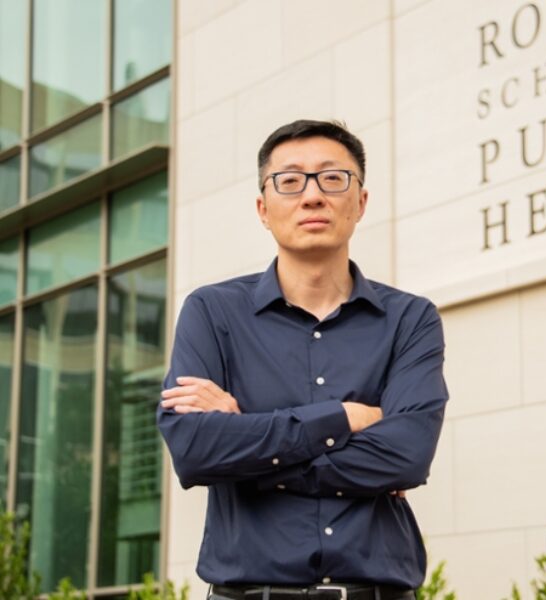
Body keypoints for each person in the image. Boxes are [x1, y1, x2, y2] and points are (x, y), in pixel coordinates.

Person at [157, 119, 448, 600]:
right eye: (289, 181)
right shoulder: (212, 312)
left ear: (361, 202)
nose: (312, 196)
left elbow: (407, 456)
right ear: (263, 209)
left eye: (333, 178)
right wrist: (342, 420)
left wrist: (247, 442)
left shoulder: (410, 320)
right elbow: (193, 450)